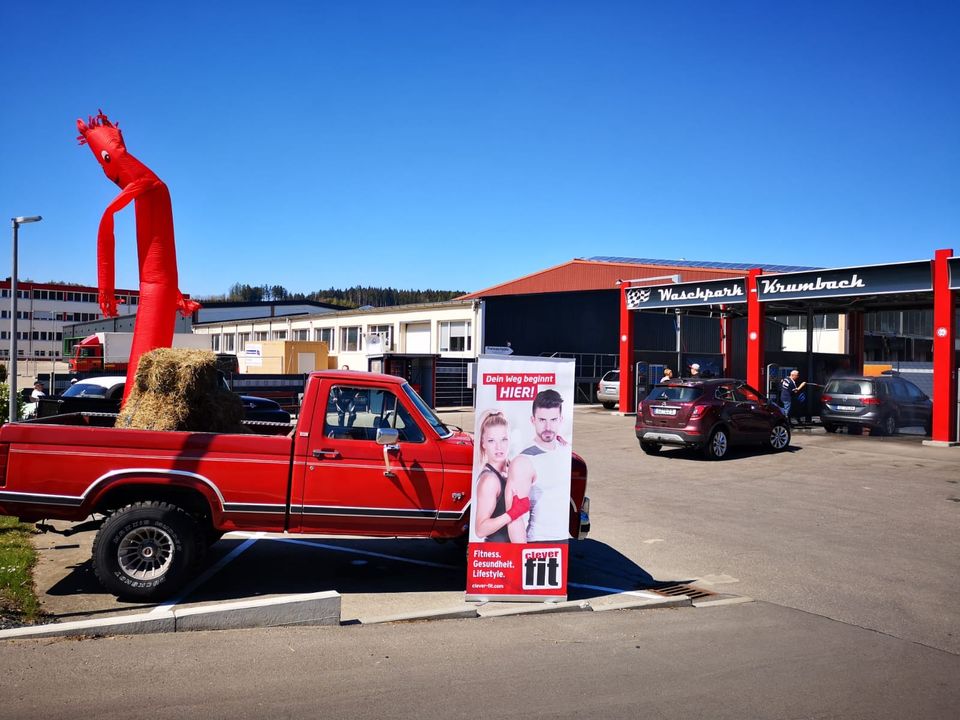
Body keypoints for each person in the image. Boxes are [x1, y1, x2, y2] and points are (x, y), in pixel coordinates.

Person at [506, 389, 572, 543]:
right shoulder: (524, 461)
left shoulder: (565, 450)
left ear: (561, 419)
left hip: (563, 539)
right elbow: (515, 517)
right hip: (539, 541)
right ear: (533, 420)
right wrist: (521, 555)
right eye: (542, 420)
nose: (548, 427)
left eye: (553, 420)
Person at [472, 410, 530, 542]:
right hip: (497, 555)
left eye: (504, 439)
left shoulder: (510, 469)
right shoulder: (490, 480)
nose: (499, 447)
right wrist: (513, 513)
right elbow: (480, 529)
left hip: (513, 553)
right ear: (483, 444)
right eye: (491, 441)